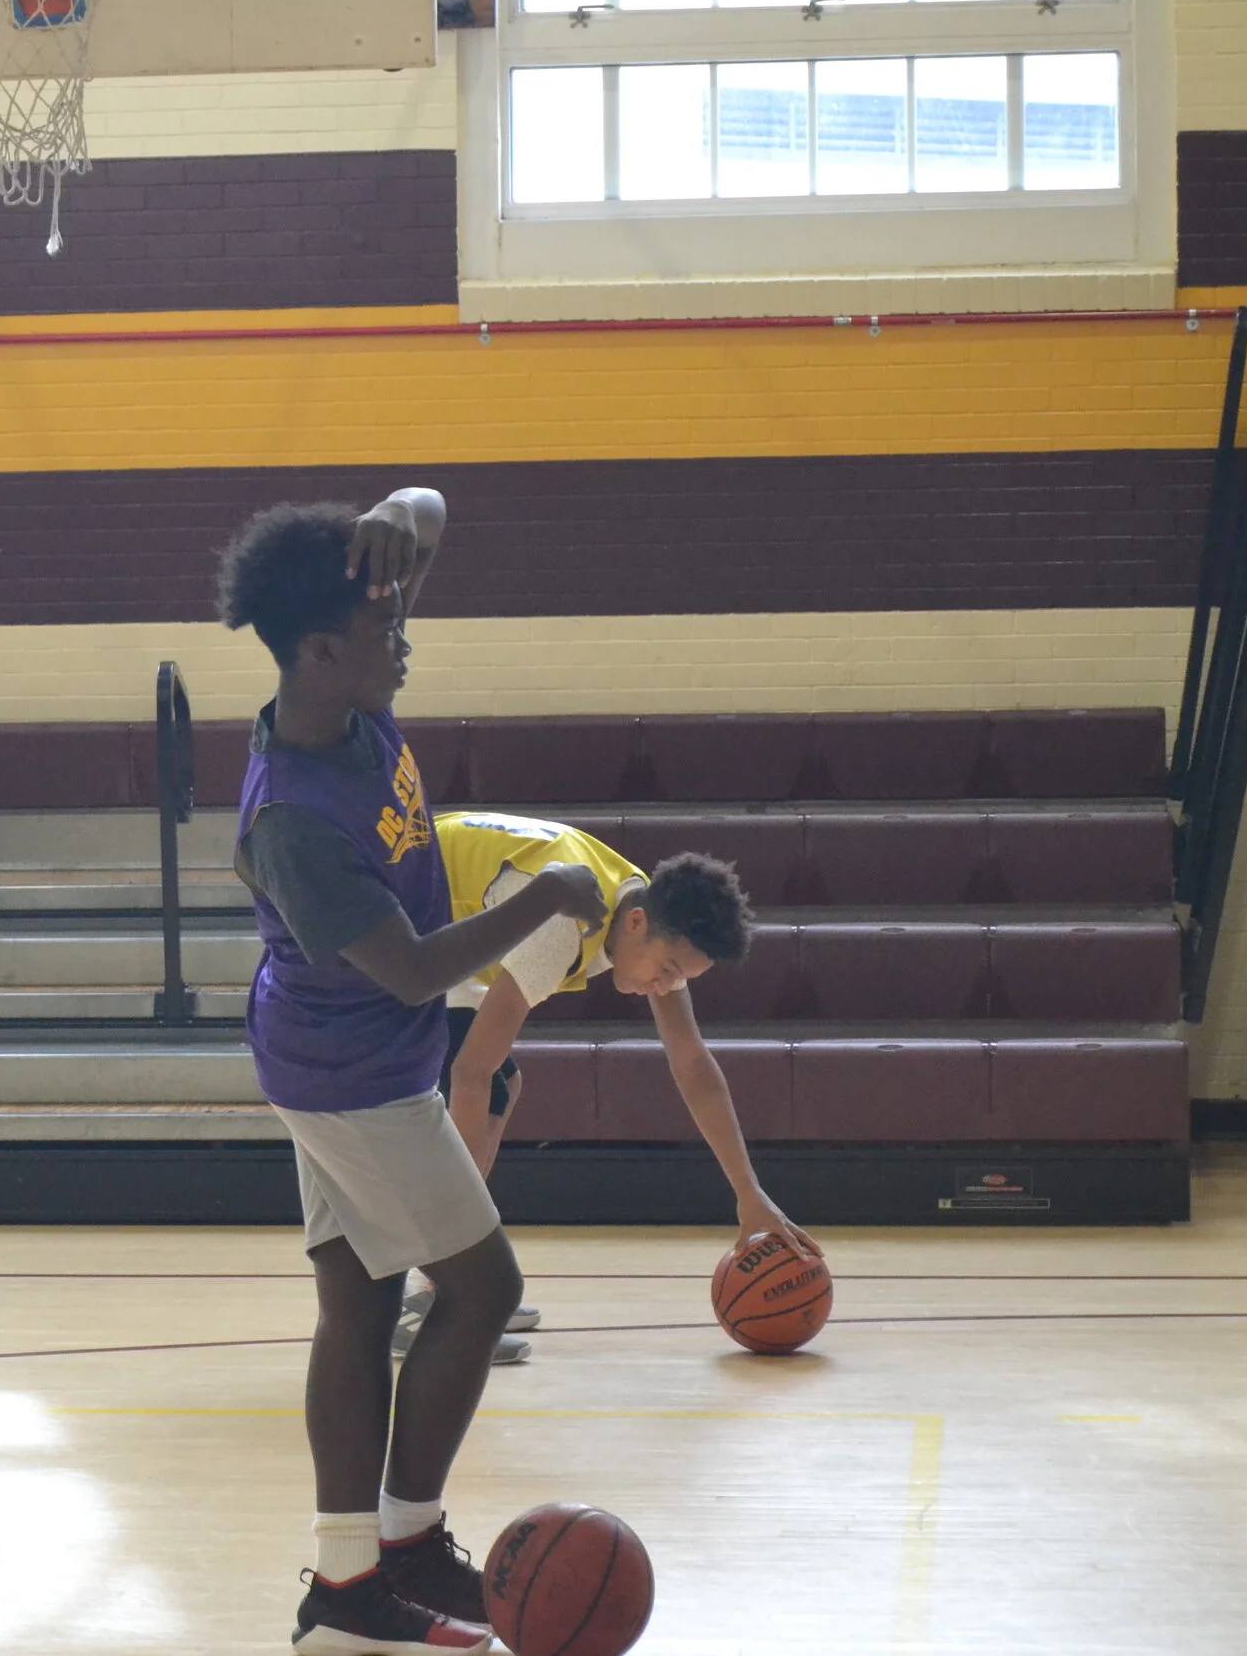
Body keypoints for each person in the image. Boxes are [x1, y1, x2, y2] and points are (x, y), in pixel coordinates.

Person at [221, 496, 611, 1656]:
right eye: (382, 629)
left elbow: (430, 517)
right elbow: (406, 973)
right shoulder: (295, 821)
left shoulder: (347, 692)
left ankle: (347, 1585)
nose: (406, 644)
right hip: (354, 1071)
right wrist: (541, 896)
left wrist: (400, 520)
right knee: (482, 1289)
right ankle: (404, 1537)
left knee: (361, 1301)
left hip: (333, 1057)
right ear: (318, 652)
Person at [391, 824, 821, 1361]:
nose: (664, 987)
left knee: (502, 1086)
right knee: (483, 1084)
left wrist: (748, 1193)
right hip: (396, 917)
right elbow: (470, 1074)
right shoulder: (563, 926)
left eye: (680, 978)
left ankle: (447, 1281)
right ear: (638, 924)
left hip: (450, 915)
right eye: (665, 971)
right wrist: (459, 1261)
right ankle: (428, 1293)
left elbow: (693, 1064)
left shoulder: (641, 905)